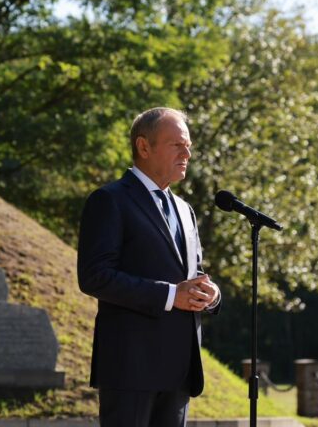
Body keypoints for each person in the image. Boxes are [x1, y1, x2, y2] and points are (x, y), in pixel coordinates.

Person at [77, 107, 221, 427]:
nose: (187, 153)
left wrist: (210, 294)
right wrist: (171, 296)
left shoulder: (185, 210)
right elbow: (94, 276)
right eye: (177, 145)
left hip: (179, 370)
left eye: (189, 146)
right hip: (131, 369)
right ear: (144, 147)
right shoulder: (109, 200)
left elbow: (192, 275)